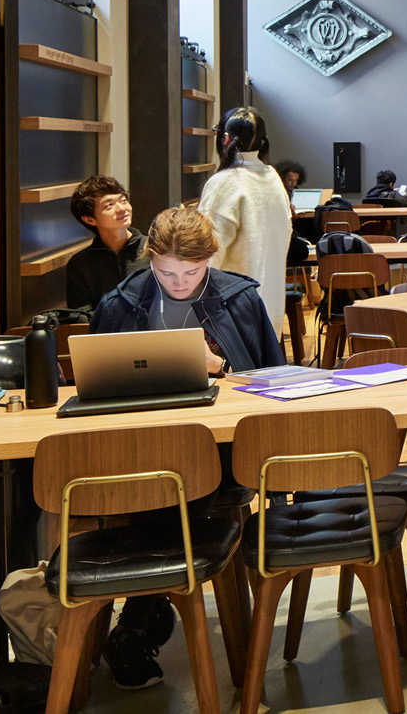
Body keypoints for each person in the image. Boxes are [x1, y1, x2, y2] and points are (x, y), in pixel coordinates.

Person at [88, 206, 285, 689]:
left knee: (184, 479)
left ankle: (137, 621)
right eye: (166, 272)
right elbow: (94, 385)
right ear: (150, 259)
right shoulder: (120, 304)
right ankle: (149, 613)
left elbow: (275, 381)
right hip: (138, 448)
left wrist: (218, 365)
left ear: (210, 261)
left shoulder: (238, 298)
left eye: (192, 273)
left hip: (220, 453)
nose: (179, 283)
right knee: (173, 479)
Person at [196, 106, 294, 329]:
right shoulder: (273, 177)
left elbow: (206, 250)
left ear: (226, 138)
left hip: (232, 309)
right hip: (271, 305)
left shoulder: (224, 182)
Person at [62, 175, 147, 311]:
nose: (122, 209)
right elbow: (82, 317)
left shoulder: (155, 250)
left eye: (123, 200)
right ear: (89, 219)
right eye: (110, 205)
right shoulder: (80, 264)